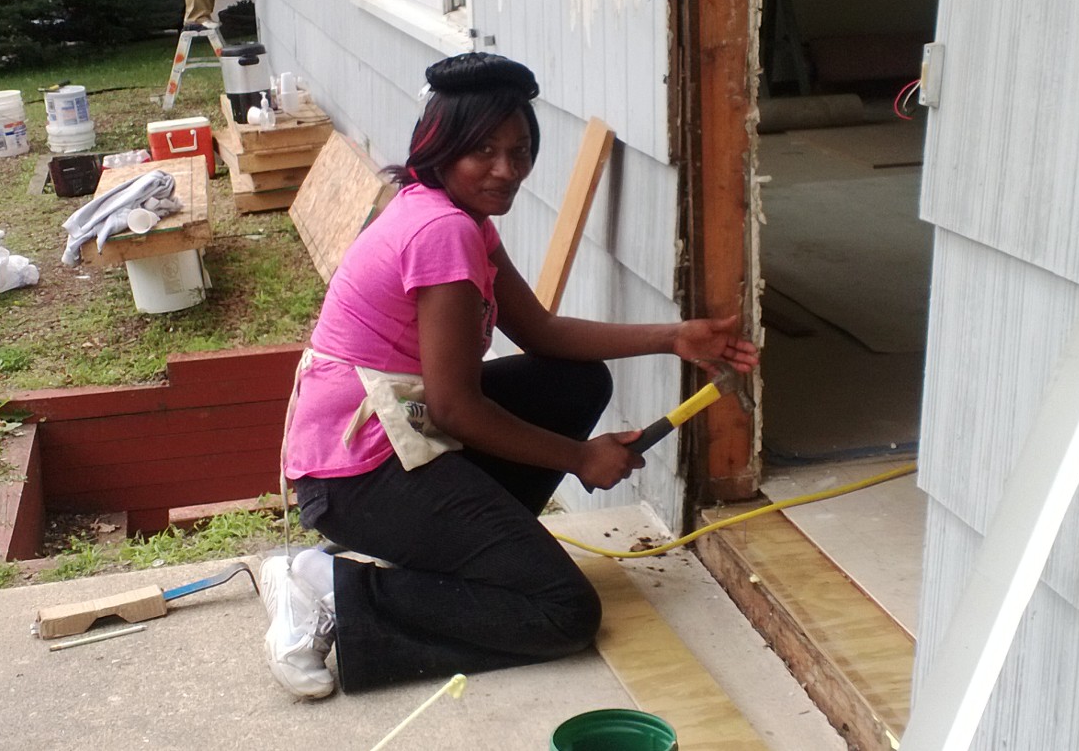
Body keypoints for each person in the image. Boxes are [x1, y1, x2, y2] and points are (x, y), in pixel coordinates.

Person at [261, 52, 759, 699]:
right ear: (441, 148)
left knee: (576, 381)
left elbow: (544, 334)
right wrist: (580, 458)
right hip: (356, 474)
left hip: (394, 429)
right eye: (484, 151)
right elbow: (455, 409)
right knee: (562, 611)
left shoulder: (453, 214)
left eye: (520, 150)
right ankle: (328, 591)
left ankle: (461, 553)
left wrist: (673, 337)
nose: (507, 170)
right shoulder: (442, 231)